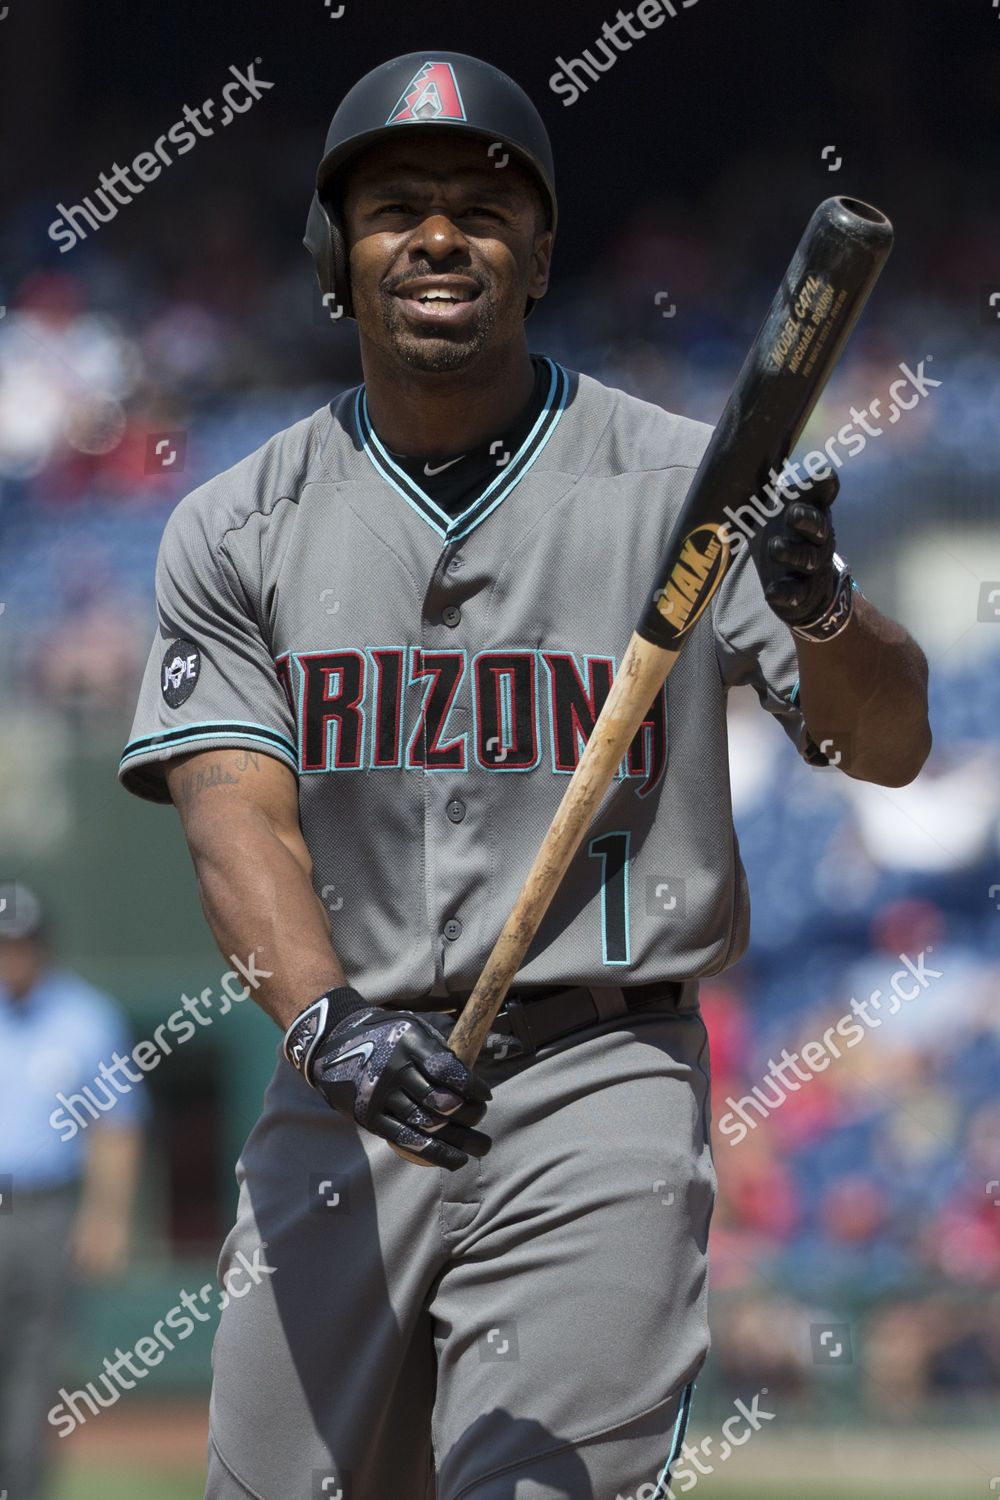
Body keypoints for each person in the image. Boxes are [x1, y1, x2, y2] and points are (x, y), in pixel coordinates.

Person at [117, 51, 931, 1500]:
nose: (440, 233)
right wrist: (325, 1025)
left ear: (541, 253)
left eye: (486, 208)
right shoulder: (237, 524)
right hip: (343, 1078)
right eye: (397, 206)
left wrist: (824, 612)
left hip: (597, 1070)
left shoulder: (690, 478)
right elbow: (232, 810)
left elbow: (889, 741)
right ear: (334, 254)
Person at [0, 884, 144, 1500]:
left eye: (21, 946)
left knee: (37, 1373)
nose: (12, 959)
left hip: (45, 1212)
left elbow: (116, 1126)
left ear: (43, 947)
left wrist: (106, 1218)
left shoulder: (84, 1015)